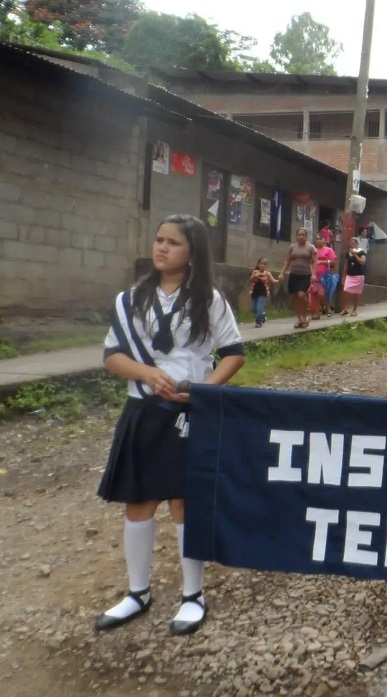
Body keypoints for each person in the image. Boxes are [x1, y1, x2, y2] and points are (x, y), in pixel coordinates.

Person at [94, 214, 245, 636]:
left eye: (173, 243)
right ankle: (137, 593)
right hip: (142, 410)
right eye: (159, 240)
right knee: (138, 500)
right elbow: (112, 355)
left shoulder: (209, 299)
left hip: (187, 412)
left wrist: (203, 390)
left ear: (192, 251)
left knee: (184, 502)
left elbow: (234, 352)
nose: (162, 248)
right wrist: (145, 374)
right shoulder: (131, 300)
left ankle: (193, 595)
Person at [280, 229, 316, 329]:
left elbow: (314, 262)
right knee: (295, 297)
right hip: (294, 274)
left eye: (303, 235)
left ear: (306, 236)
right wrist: (282, 272)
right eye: (299, 235)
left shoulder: (311, 248)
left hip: (305, 275)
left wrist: (314, 274)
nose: (301, 237)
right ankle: (299, 319)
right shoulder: (292, 247)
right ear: (296, 236)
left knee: (301, 294)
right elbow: (287, 260)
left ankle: (305, 315)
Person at [309, 236, 337, 319]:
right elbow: (310, 262)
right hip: (315, 276)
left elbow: (333, 262)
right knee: (316, 294)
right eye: (317, 239)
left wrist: (322, 261)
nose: (318, 241)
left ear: (324, 240)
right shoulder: (314, 251)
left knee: (321, 293)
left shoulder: (329, 250)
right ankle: (317, 313)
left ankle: (327, 307)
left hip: (325, 276)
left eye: (320, 239)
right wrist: (312, 272)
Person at [248, 257, 278, 328]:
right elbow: (251, 280)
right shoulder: (255, 272)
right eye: (261, 264)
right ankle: (263, 314)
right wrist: (255, 276)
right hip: (254, 293)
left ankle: (258, 323)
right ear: (258, 264)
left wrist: (279, 279)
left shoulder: (267, 273)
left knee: (259, 308)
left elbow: (273, 280)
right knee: (254, 309)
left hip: (263, 293)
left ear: (266, 266)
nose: (262, 265)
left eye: (264, 264)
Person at [340, 237, 366, 316]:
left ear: (357, 244)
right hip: (350, 275)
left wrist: (356, 255)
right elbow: (346, 265)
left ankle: (354, 309)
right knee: (346, 291)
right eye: (351, 244)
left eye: (353, 244)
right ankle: (345, 309)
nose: (352, 246)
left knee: (357, 293)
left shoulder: (361, 252)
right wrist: (344, 276)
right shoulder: (348, 253)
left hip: (359, 275)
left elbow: (362, 262)